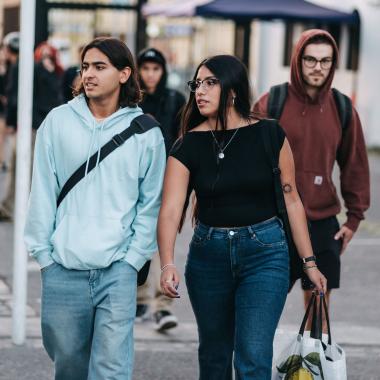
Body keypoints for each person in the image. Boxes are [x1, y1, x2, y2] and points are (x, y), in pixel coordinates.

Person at [157, 54, 327, 379]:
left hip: (265, 253)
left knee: (252, 357)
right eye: (197, 84)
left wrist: (309, 262)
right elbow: (170, 210)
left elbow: (292, 200)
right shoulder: (187, 145)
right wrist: (167, 263)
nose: (199, 92)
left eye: (210, 83)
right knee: (214, 356)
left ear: (232, 91)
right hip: (208, 256)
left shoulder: (270, 134)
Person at [24, 37, 166, 380]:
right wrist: (44, 258)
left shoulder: (146, 134)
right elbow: (41, 191)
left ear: (123, 74)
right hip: (63, 268)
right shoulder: (57, 122)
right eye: (85, 66)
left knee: (111, 370)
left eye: (100, 67)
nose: (89, 74)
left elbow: (150, 205)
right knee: (69, 368)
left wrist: (133, 260)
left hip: (117, 269)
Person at [254, 29, 370, 325]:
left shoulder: (342, 108)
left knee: (317, 312)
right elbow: (248, 158)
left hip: (321, 222)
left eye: (325, 61)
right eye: (310, 60)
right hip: (274, 221)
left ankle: (308, 368)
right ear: (297, 60)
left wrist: (354, 219)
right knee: (263, 308)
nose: (318, 67)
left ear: (333, 64)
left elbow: (354, 164)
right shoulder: (273, 102)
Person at [135, 47, 186, 330]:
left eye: (156, 69)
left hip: (167, 181)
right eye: (146, 68)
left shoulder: (175, 99)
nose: (151, 74)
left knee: (162, 241)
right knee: (136, 235)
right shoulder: (130, 100)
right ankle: (140, 298)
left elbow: (184, 140)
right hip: (134, 180)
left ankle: (162, 305)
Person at [0, 32, 19, 221]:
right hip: (26, 125)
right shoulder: (19, 66)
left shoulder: (17, 67)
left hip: (24, 126)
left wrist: (11, 123)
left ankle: (11, 207)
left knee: (19, 165)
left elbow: (14, 99)